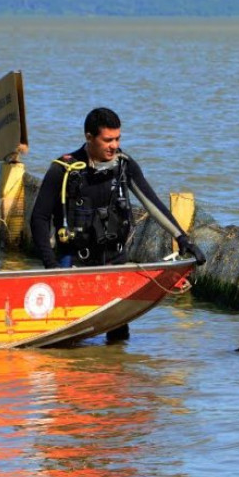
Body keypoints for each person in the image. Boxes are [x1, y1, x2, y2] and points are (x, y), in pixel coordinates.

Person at [29, 108, 206, 339]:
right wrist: (51, 268)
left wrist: (183, 239)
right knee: (66, 338)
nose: (114, 146)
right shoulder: (63, 170)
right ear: (89, 137)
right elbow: (38, 219)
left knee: (119, 337)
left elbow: (153, 204)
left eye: (118, 139)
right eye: (107, 140)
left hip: (115, 263)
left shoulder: (124, 165)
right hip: (74, 265)